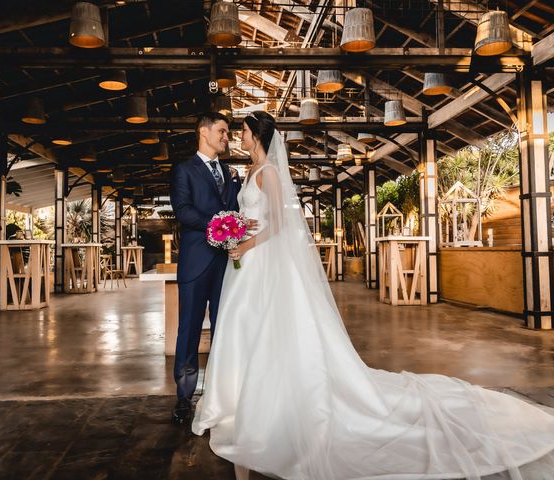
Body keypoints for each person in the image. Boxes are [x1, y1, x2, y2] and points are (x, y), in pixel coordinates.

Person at [192, 111, 554, 479]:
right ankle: (241, 398)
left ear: (256, 135)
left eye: (243, 130)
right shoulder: (249, 173)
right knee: (247, 327)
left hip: (261, 259)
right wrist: (238, 229)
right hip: (248, 263)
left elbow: (281, 224)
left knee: (272, 326)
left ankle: (275, 401)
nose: (239, 134)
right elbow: (256, 214)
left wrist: (248, 242)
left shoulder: (269, 172)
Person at [169, 112, 244, 424]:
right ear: (204, 131)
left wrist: (237, 225)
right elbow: (183, 210)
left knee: (223, 328)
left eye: (227, 133)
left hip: (225, 262)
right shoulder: (183, 170)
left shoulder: (229, 173)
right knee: (188, 329)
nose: (227, 138)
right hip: (196, 261)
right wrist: (218, 225)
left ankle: (218, 393)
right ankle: (184, 396)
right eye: (223, 132)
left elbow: (234, 208)